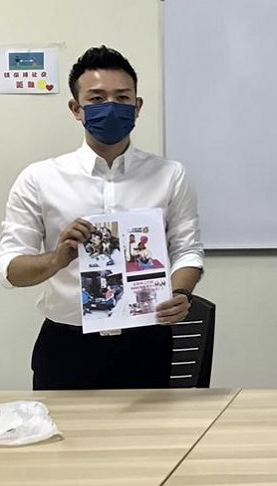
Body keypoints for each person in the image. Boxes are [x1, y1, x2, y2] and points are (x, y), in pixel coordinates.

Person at [0, 46, 205, 389]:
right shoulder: (39, 178)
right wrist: (57, 258)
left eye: (122, 97)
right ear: (76, 109)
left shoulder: (170, 175)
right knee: (66, 440)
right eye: (96, 98)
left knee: (150, 441)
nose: (110, 107)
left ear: (137, 107)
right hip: (67, 343)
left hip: (146, 341)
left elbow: (187, 250)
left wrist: (181, 291)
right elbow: (9, 270)